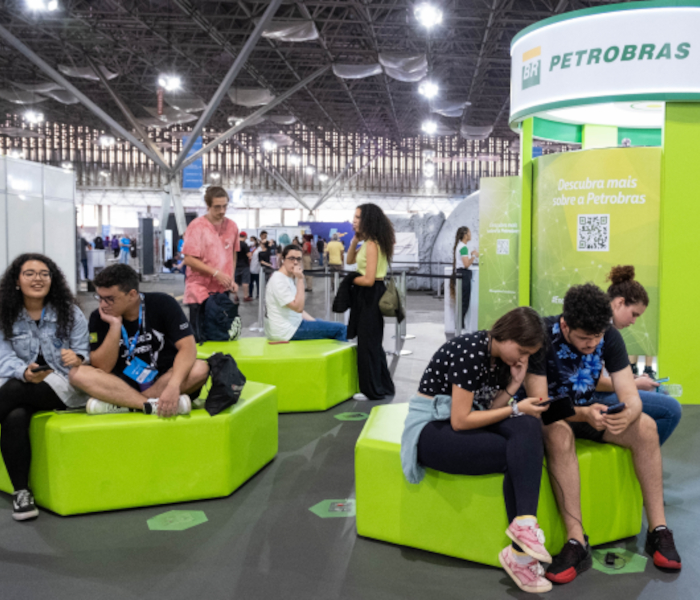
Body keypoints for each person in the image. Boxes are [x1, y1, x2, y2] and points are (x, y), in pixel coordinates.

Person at [522, 283, 681, 583]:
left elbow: (630, 395)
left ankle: (658, 530)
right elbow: (541, 404)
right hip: (551, 416)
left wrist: (628, 415)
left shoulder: (609, 336)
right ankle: (576, 541)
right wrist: (584, 414)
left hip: (588, 411)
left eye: (597, 337)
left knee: (645, 426)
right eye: (584, 338)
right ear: (566, 325)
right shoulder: (541, 335)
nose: (593, 344)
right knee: (558, 432)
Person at [401, 307, 552, 593]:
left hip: (461, 422)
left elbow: (491, 409)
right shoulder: (471, 352)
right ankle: (519, 553)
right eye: (521, 350)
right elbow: (460, 421)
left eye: (528, 355)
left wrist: (515, 385)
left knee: (528, 428)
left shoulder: (500, 360)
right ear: (505, 335)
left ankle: (523, 529)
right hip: (432, 428)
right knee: (517, 449)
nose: (523, 359)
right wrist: (516, 407)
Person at [0, 253, 90, 521]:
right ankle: (22, 494)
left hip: (62, 387)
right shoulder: (5, 313)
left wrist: (78, 358)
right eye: (29, 273)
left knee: (16, 391)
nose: (37, 279)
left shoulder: (70, 312)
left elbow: (83, 351)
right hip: (21, 383)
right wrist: (23, 372)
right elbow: (3, 356)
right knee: (14, 416)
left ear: (53, 280)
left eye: (44, 274)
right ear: (17, 281)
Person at [69, 264, 210, 417]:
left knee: (200, 368)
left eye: (110, 299)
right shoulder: (99, 317)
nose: (103, 305)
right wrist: (115, 326)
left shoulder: (163, 304)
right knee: (77, 373)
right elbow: (102, 367)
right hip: (120, 384)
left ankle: (126, 404)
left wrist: (173, 385)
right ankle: (148, 405)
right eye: (100, 298)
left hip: (162, 378)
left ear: (132, 294)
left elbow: (188, 348)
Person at [594, 265, 681, 446]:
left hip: (596, 391)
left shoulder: (609, 331)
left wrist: (632, 379)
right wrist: (634, 384)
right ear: (619, 302)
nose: (633, 322)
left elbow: (604, 374)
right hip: (590, 396)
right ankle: (642, 455)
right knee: (671, 409)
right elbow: (595, 383)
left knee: (664, 404)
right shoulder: (599, 328)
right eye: (633, 314)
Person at [346, 203, 396, 401]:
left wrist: (350, 280)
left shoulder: (373, 244)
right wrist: (354, 241)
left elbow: (368, 278)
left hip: (371, 294)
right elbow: (349, 261)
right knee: (371, 342)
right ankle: (381, 385)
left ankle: (372, 390)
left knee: (368, 343)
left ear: (367, 220)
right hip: (368, 295)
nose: (354, 221)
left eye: (357, 217)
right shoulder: (369, 243)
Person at [181, 186, 239, 342]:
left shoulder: (232, 226)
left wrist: (231, 278)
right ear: (208, 206)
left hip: (221, 291)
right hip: (199, 290)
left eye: (225, 206)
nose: (222, 210)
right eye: (217, 207)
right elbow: (189, 259)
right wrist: (216, 273)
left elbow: (233, 253)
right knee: (200, 337)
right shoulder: (196, 226)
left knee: (221, 334)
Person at [264, 245, 347, 342]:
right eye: (291, 258)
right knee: (341, 329)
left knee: (319, 321)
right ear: (283, 259)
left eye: (298, 259)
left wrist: (314, 322)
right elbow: (298, 308)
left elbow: (296, 310)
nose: (295, 262)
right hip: (287, 331)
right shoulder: (279, 280)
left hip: (291, 326)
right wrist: (300, 279)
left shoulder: (286, 278)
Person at [450, 226, 479, 332]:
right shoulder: (463, 247)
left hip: (461, 274)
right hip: (464, 275)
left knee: (462, 301)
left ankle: (459, 325)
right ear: (465, 235)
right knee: (464, 302)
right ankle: (460, 326)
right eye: (470, 232)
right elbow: (466, 264)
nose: (471, 234)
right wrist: (474, 256)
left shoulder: (461, 246)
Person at [234, 231, 253, 302]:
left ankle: (236, 296)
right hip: (244, 265)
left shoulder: (234, 245)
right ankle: (245, 296)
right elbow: (249, 255)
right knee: (245, 282)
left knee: (236, 282)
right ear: (245, 237)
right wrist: (251, 253)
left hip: (235, 265)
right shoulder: (245, 245)